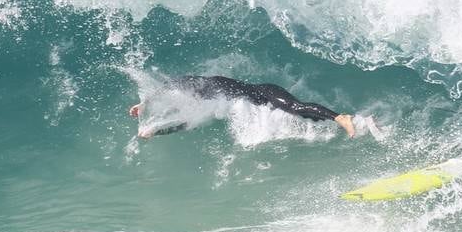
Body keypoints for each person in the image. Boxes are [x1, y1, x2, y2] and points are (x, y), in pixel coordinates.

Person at [129, 75, 357, 139]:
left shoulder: (203, 84)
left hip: (265, 92)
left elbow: (171, 85)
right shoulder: (204, 104)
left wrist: (144, 102)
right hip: (263, 105)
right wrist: (155, 131)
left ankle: (341, 118)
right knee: (309, 118)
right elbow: (184, 124)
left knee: (297, 108)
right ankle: (359, 122)